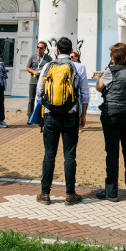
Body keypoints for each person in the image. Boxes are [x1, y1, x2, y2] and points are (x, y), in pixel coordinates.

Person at [35, 37, 89, 205]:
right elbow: (85, 95)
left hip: (50, 116)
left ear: (57, 51)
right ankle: (70, 195)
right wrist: (83, 116)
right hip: (70, 115)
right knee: (69, 155)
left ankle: (45, 194)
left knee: (49, 155)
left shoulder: (47, 66)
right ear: (71, 50)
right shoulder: (79, 67)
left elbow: (39, 92)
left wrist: (40, 115)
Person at [95, 44, 126, 201]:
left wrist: (104, 74)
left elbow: (99, 87)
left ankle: (111, 191)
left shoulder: (111, 71)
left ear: (114, 56)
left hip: (113, 114)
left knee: (112, 153)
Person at [26, 41, 51, 121]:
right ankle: (30, 117)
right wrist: (33, 72)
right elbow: (27, 68)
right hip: (33, 81)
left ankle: (41, 116)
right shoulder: (33, 57)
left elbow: (51, 69)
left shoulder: (48, 58)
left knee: (42, 99)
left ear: (44, 49)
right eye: (38, 47)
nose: (39, 49)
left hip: (43, 83)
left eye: (41, 48)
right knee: (31, 99)